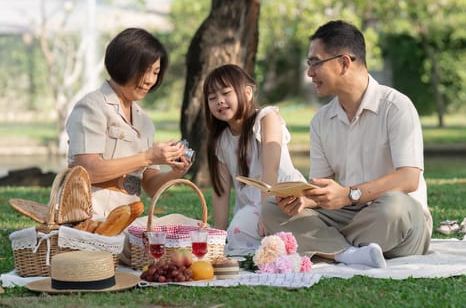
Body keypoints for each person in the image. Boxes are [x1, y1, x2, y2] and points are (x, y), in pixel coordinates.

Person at [261, 20, 433, 268]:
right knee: (271, 209)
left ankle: (329, 248)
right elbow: (321, 190)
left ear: (343, 62)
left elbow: (408, 179)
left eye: (315, 63)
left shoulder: (396, 107)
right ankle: (349, 253)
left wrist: (349, 194)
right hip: (348, 217)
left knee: (394, 207)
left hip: (396, 220)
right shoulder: (321, 121)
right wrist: (303, 200)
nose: (310, 73)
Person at [66, 27, 192, 217]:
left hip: (128, 217)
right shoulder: (92, 107)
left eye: (155, 72)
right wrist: (148, 156)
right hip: (90, 216)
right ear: (122, 65)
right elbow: (87, 169)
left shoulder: (144, 121)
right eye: (144, 70)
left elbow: (150, 185)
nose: (150, 80)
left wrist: (175, 172)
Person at [204, 64, 306, 256]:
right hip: (251, 212)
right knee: (237, 232)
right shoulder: (220, 141)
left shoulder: (266, 118)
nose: (220, 101)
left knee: (245, 231)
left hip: (285, 200)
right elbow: (221, 192)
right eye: (212, 98)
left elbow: (271, 169)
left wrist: (266, 215)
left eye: (226, 93)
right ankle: (270, 249)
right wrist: (218, 235)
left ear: (248, 92)